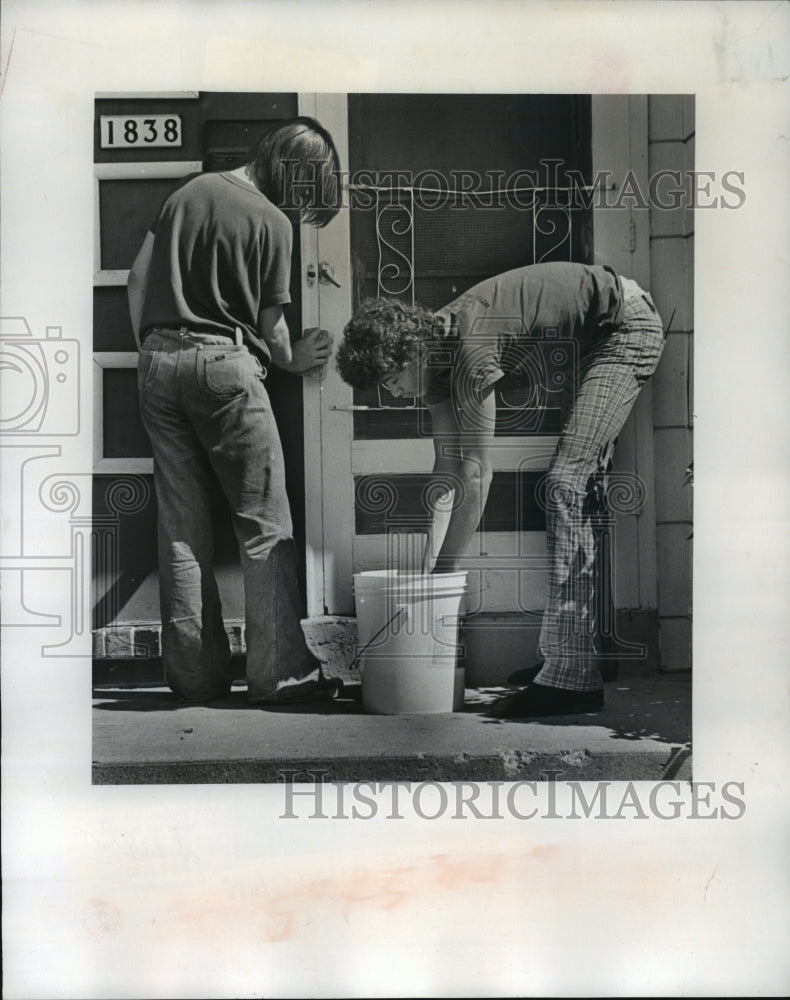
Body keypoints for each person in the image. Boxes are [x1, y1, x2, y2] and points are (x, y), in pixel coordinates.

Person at [335, 261, 665, 718]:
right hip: (591, 339)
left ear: (411, 354)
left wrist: (443, 574)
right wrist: (430, 563)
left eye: (391, 381)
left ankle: (572, 678)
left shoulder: (468, 352)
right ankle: (583, 655)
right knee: (578, 488)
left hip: (624, 327)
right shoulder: (433, 364)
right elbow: (446, 466)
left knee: (565, 485)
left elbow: (476, 472)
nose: (392, 395)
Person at [127, 117, 342, 705]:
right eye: (305, 192)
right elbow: (271, 332)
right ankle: (281, 678)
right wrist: (297, 359)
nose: (299, 207)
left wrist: (154, 349)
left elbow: (136, 278)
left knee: (181, 529)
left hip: (157, 364)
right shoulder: (270, 220)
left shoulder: (189, 192)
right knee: (264, 525)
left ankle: (195, 680)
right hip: (226, 367)